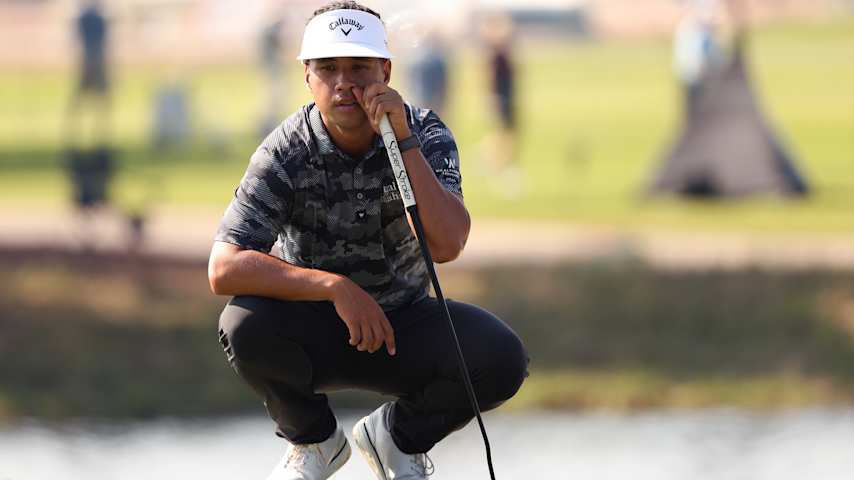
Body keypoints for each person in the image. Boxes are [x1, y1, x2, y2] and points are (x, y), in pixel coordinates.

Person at [208, 2, 529, 480]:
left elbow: (447, 244)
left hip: (403, 326)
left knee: (502, 358)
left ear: (386, 71)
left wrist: (403, 140)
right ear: (307, 76)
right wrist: (335, 288)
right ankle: (314, 442)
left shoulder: (424, 131)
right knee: (243, 324)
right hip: (313, 326)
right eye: (328, 68)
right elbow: (223, 268)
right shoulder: (285, 149)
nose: (344, 83)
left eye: (358, 67)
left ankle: (396, 440)